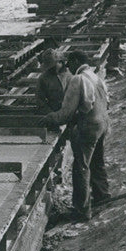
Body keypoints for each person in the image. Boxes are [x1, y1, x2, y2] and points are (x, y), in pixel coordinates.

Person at [43, 49, 110, 221]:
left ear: (74, 62)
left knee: (81, 167)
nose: (67, 67)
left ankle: (82, 210)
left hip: (89, 126)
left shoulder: (77, 79)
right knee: (97, 161)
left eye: (69, 63)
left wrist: (49, 118)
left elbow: (66, 113)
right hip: (103, 123)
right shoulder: (95, 76)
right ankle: (102, 196)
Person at [35, 48, 71, 113]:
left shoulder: (71, 75)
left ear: (60, 62)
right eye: (50, 67)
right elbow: (40, 100)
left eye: (54, 66)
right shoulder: (43, 78)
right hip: (54, 111)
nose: (52, 69)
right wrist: (51, 114)